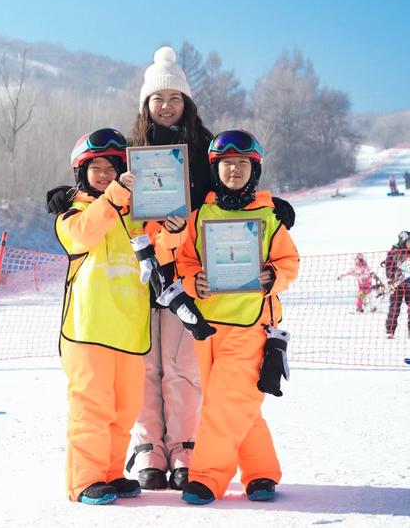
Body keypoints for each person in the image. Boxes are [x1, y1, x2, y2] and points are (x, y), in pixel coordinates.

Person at [47, 46, 296, 492]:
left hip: (187, 271)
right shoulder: (129, 151)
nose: (166, 106)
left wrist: (269, 205)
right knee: (142, 368)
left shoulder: (205, 149)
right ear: (146, 105)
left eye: (174, 98)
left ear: (187, 103)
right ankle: (148, 450)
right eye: (158, 99)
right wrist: (68, 195)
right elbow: (98, 183)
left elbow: (233, 183)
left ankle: (186, 446)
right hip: (138, 276)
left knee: (182, 366)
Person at [54, 128, 188, 505]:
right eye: (94, 167)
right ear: (81, 173)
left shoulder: (134, 217)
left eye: (110, 168)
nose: (103, 174)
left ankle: (110, 473)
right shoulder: (71, 213)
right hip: (88, 331)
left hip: (130, 333)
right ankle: (84, 481)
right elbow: (83, 235)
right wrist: (117, 195)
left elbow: (161, 253)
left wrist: (174, 232)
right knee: (91, 408)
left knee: (123, 410)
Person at [176, 129, 299, 505]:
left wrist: (272, 277)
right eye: (227, 164)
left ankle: (206, 478)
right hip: (208, 328)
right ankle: (261, 472)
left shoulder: (269, 216)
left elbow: (289, 262)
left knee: (224, 404)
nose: (234, 170)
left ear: (254, 170)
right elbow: (184, 262)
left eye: (242, 164)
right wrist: (193, 282)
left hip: (250, 325)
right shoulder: (200, 217)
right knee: (238, 403)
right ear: (216, 169)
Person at [382, 230, 410, 339]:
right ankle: (390, 330)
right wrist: (391, 276)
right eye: (408, 242)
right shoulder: (394, 251)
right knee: (394, 307)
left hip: (409, 283)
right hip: (397, 283)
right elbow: (389, 266)